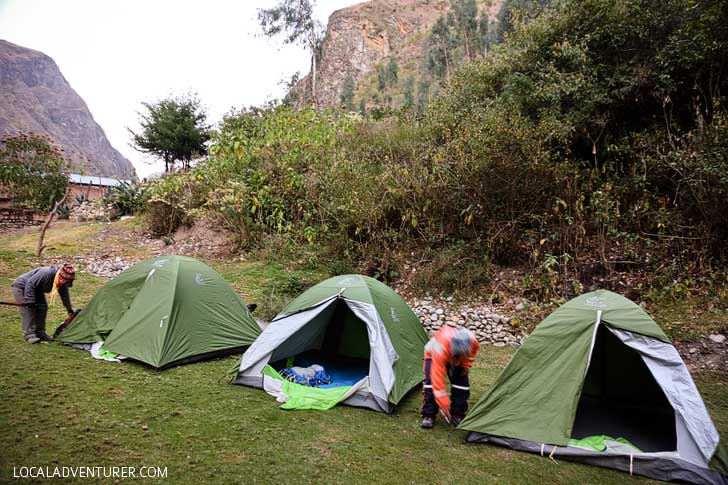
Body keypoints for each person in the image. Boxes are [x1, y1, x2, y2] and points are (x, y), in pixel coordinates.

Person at [421, 324, 480, 428]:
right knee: (431, 384)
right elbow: (437, 378)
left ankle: (457, 413)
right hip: (433, 355)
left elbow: (472, 354)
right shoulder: (440, 347)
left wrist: (466, 365)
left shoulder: (473, 341)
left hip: (460, 357)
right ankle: (428, 415)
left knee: (462, 385)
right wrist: (443, 403)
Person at [11, 263, 75, 344]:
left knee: (43, 307)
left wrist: (69, 308)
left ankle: (41, 334)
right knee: (28, 311)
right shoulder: (46, 273)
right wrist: (30, 301)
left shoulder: (61, 281)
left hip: (36, 289)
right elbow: (30, 284)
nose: (65, 284)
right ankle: (29, 336)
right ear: (61, 277)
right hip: (22, 287)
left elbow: (64, 295)